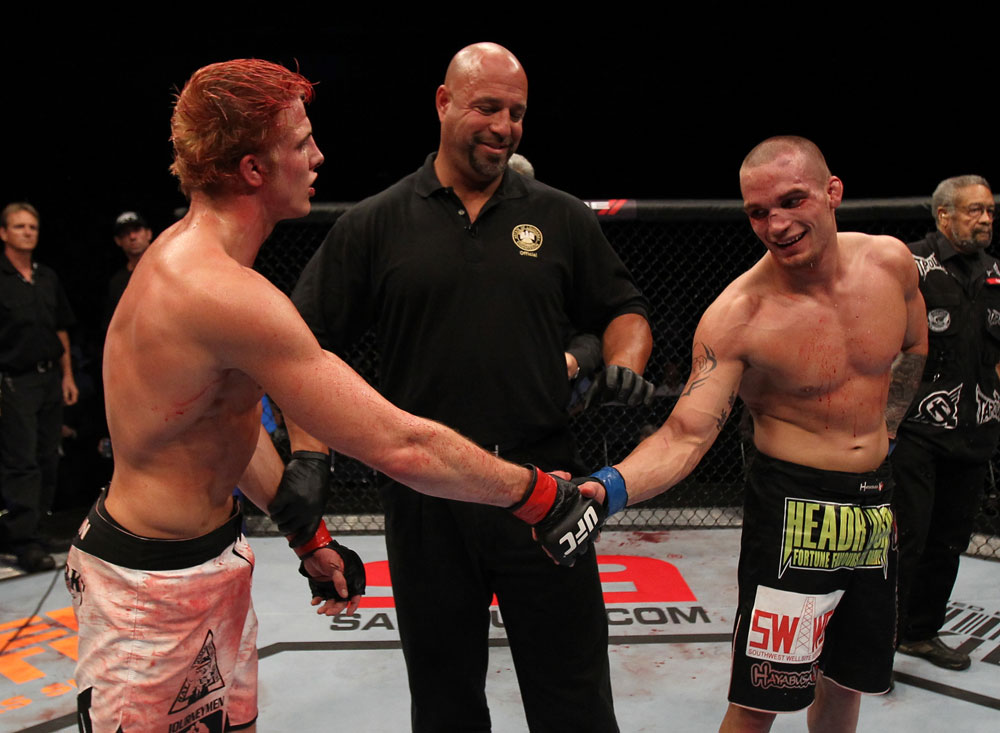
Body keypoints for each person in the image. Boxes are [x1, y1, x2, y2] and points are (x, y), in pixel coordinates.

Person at [64, 58, 597, 733]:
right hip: (153, 587)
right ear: (254, 169)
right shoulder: (217, 291)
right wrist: (537, 493)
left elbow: (220, 422)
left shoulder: (201, 265)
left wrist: (304, 530)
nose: (319, 155)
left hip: (203, 559)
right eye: (300, 143)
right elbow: (400, 442)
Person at [291, 42, 653, 733]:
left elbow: (623, 309)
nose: (504, 125)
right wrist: (313, 452)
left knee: (575, 694)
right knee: (445, 698)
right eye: (488, 106)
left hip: (544, 487)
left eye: (516, 112)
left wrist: (625, 364)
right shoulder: (377, 222)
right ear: (444, 102)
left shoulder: (558, 215)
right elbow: (301, 344)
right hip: (427, 498)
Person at [567, 136, 927, 732]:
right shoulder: (739, 316)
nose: (777, 225)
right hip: (792, 510)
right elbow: (685, 433)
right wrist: (610, 486)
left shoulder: (890, 263)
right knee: (761, 700)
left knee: (846, 682)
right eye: (759, 212)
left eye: (792, 201)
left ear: (833, 193)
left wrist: (887, 429)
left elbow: (913, 346)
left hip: (873, 507)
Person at [893, 175, 1000, 671]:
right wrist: (887, 426)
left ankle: (919, 633)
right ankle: (876, 642)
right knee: (904, 539)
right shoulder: (911, 265)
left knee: (950, 540)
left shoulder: (996, 272)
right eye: (974, 210)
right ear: (944, 215)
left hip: (975, 432)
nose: (985, 219)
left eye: (990, 211)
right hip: (915, 432)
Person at [0, 202, 79, 573]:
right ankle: (22, 540)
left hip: (50, 378)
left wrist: (67, 376)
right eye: (19, 227)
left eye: (32, 226)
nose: (28, 232)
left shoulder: (46, 277)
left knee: (49, 456)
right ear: (4, 233)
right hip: (15, 381)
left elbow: (61, 328)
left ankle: (38, 527)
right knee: (22, 460)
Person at [103, 210, 153, 330]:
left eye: (137, 230)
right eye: (125, 233)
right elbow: (115, 328)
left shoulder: (169, 267)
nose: (132, 237)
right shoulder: (117, 283)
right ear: (118, 241)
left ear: (149, 233)